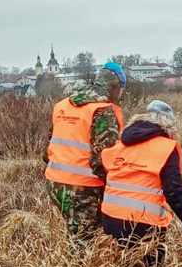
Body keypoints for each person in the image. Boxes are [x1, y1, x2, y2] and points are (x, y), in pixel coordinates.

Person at [100, 100, 182, 267]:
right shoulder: (167, 147)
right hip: (144, 225)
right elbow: (175, 193)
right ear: (169, 126)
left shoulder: (120, 145)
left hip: (110, 220)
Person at [43, 63, 125, 240]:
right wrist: (117, 188)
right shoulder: (103, 110)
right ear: (115, 87)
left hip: (54, 184)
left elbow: (47, 148)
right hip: (83, 188)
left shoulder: (63, 105)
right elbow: (103, 158)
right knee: (85, 242)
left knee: (76, 232)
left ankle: (67, 265)